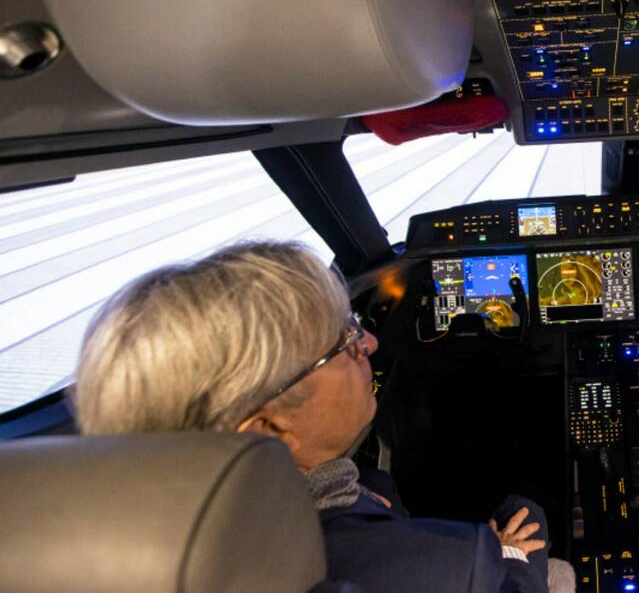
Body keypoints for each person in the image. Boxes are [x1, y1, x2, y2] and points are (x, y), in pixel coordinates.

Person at [73, 241, 550, 593]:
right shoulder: (446, 569)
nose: (370, 344)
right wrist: (507, 558)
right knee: (529, 517)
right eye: (344, 343)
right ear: (265, 429)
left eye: (354, 325)